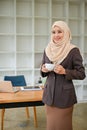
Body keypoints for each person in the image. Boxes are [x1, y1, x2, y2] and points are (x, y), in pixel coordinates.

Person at [40, 21, 86, 130]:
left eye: (59, 32)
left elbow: (81, 73)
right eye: (53, 32)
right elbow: (42, 71)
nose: (56, 35)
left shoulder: (73, 50)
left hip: (64, 97)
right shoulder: (47, 49)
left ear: (66, 33)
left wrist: (65, 71)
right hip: (49, 95)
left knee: (63, 126)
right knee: (51, 126)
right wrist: (43, 69)